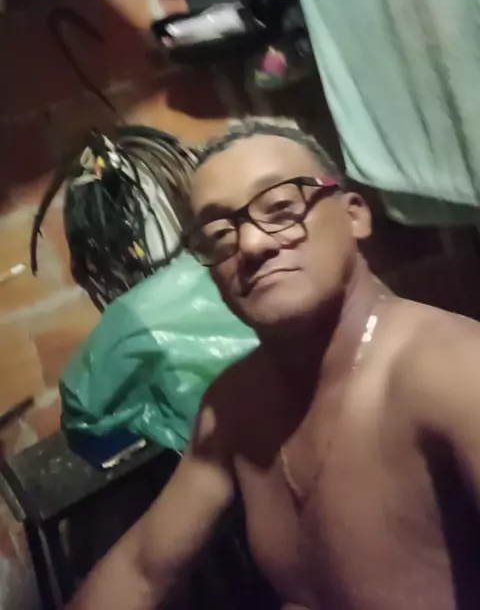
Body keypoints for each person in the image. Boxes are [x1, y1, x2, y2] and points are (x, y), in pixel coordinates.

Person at [70, 120, 480, 610]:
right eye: (219, 233)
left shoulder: (452, 371)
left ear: (354, 215)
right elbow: (140, 570)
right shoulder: (234, 406)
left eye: (281, 208)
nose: (251, 244)